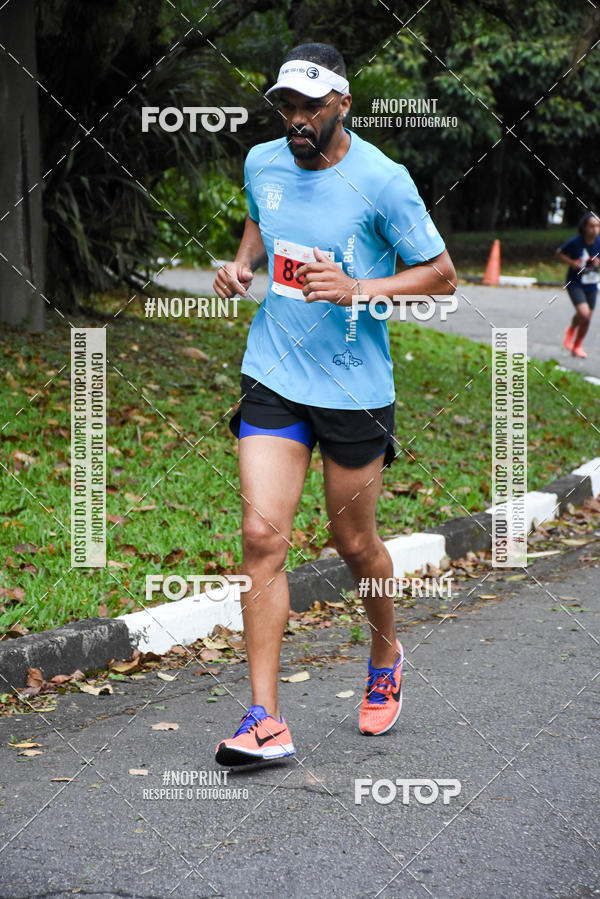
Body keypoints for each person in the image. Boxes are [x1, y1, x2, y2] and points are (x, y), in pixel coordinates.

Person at [213, 42, 457, 767]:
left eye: (310, 106)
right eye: (287, 105)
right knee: (262, 538)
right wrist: (243, 265)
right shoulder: (262, 162)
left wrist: (359, 289)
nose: (296, 119)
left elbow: (441, 275)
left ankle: (386, 653)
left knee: (355, 546)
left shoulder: (383, 181)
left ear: (342, 105)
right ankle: (265, 719)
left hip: (354, 387)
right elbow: (263, 216)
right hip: (275, 371)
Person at [557, 212, 600, 359]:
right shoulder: (575, 242)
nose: (595, 229)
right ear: (584, 227)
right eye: (592, 226)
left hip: (592, 284)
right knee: (583, 313)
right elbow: (559, 253)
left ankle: (577, 346)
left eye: (598, 226)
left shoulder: (599, 243)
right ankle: (571, 330)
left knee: (587, 318)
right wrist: (572, 263)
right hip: (575, 282)